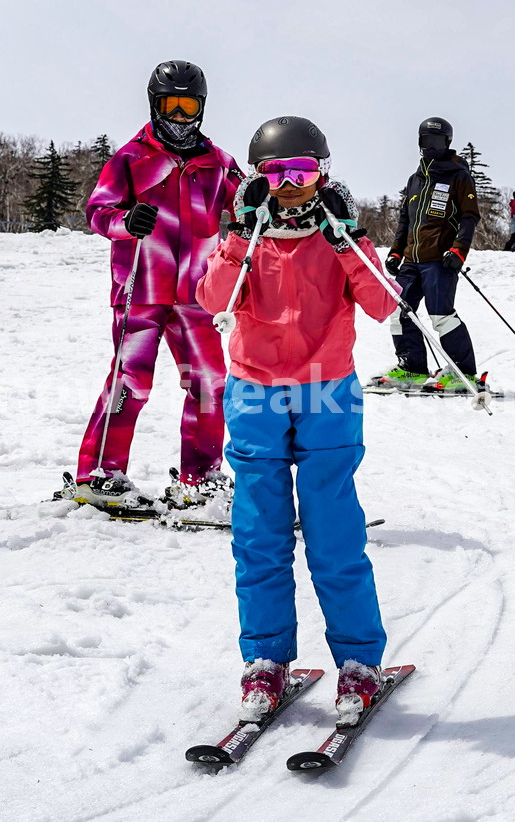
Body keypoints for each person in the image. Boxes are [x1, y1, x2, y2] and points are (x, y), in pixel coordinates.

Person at [196, 116, 398, 725]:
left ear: (322, 175)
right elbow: (212, 301)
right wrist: (237, 236)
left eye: (303, 171)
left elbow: (384, 303)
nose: (290, 185)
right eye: (276, 173)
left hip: (327, 392)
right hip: (255, 393)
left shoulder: (339, 236)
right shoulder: (245, 238)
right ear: (258, 178)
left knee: (334, 532)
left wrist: (348, 241)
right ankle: (266, 659)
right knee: (259, 535)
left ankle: (359, 663)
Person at [58, 60, 243, 509]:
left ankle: (202, 479)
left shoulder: (219, 164)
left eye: (188, 105)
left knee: (210, 382)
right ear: (154, 105)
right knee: (130, 382)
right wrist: (126, 221)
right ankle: (99, 473)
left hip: (197, 294)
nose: (179, 116)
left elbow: (249, 205)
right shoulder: (131, 158)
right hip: (139, 289)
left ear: (201, 107)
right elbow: (98, 213)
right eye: (170, 105)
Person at [371, 116, 482, 393]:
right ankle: (412, 368)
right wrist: (396, 252)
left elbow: (470, 217)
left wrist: (459, 250)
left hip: (440, 259)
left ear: (447, 143)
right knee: (399, 312)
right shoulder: (415, 180)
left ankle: (463, 372)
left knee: (441, 315)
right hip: (412, 260)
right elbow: (405, 221)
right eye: (424, 141)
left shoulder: (458, 177)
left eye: (435, 141)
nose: (429, 147)